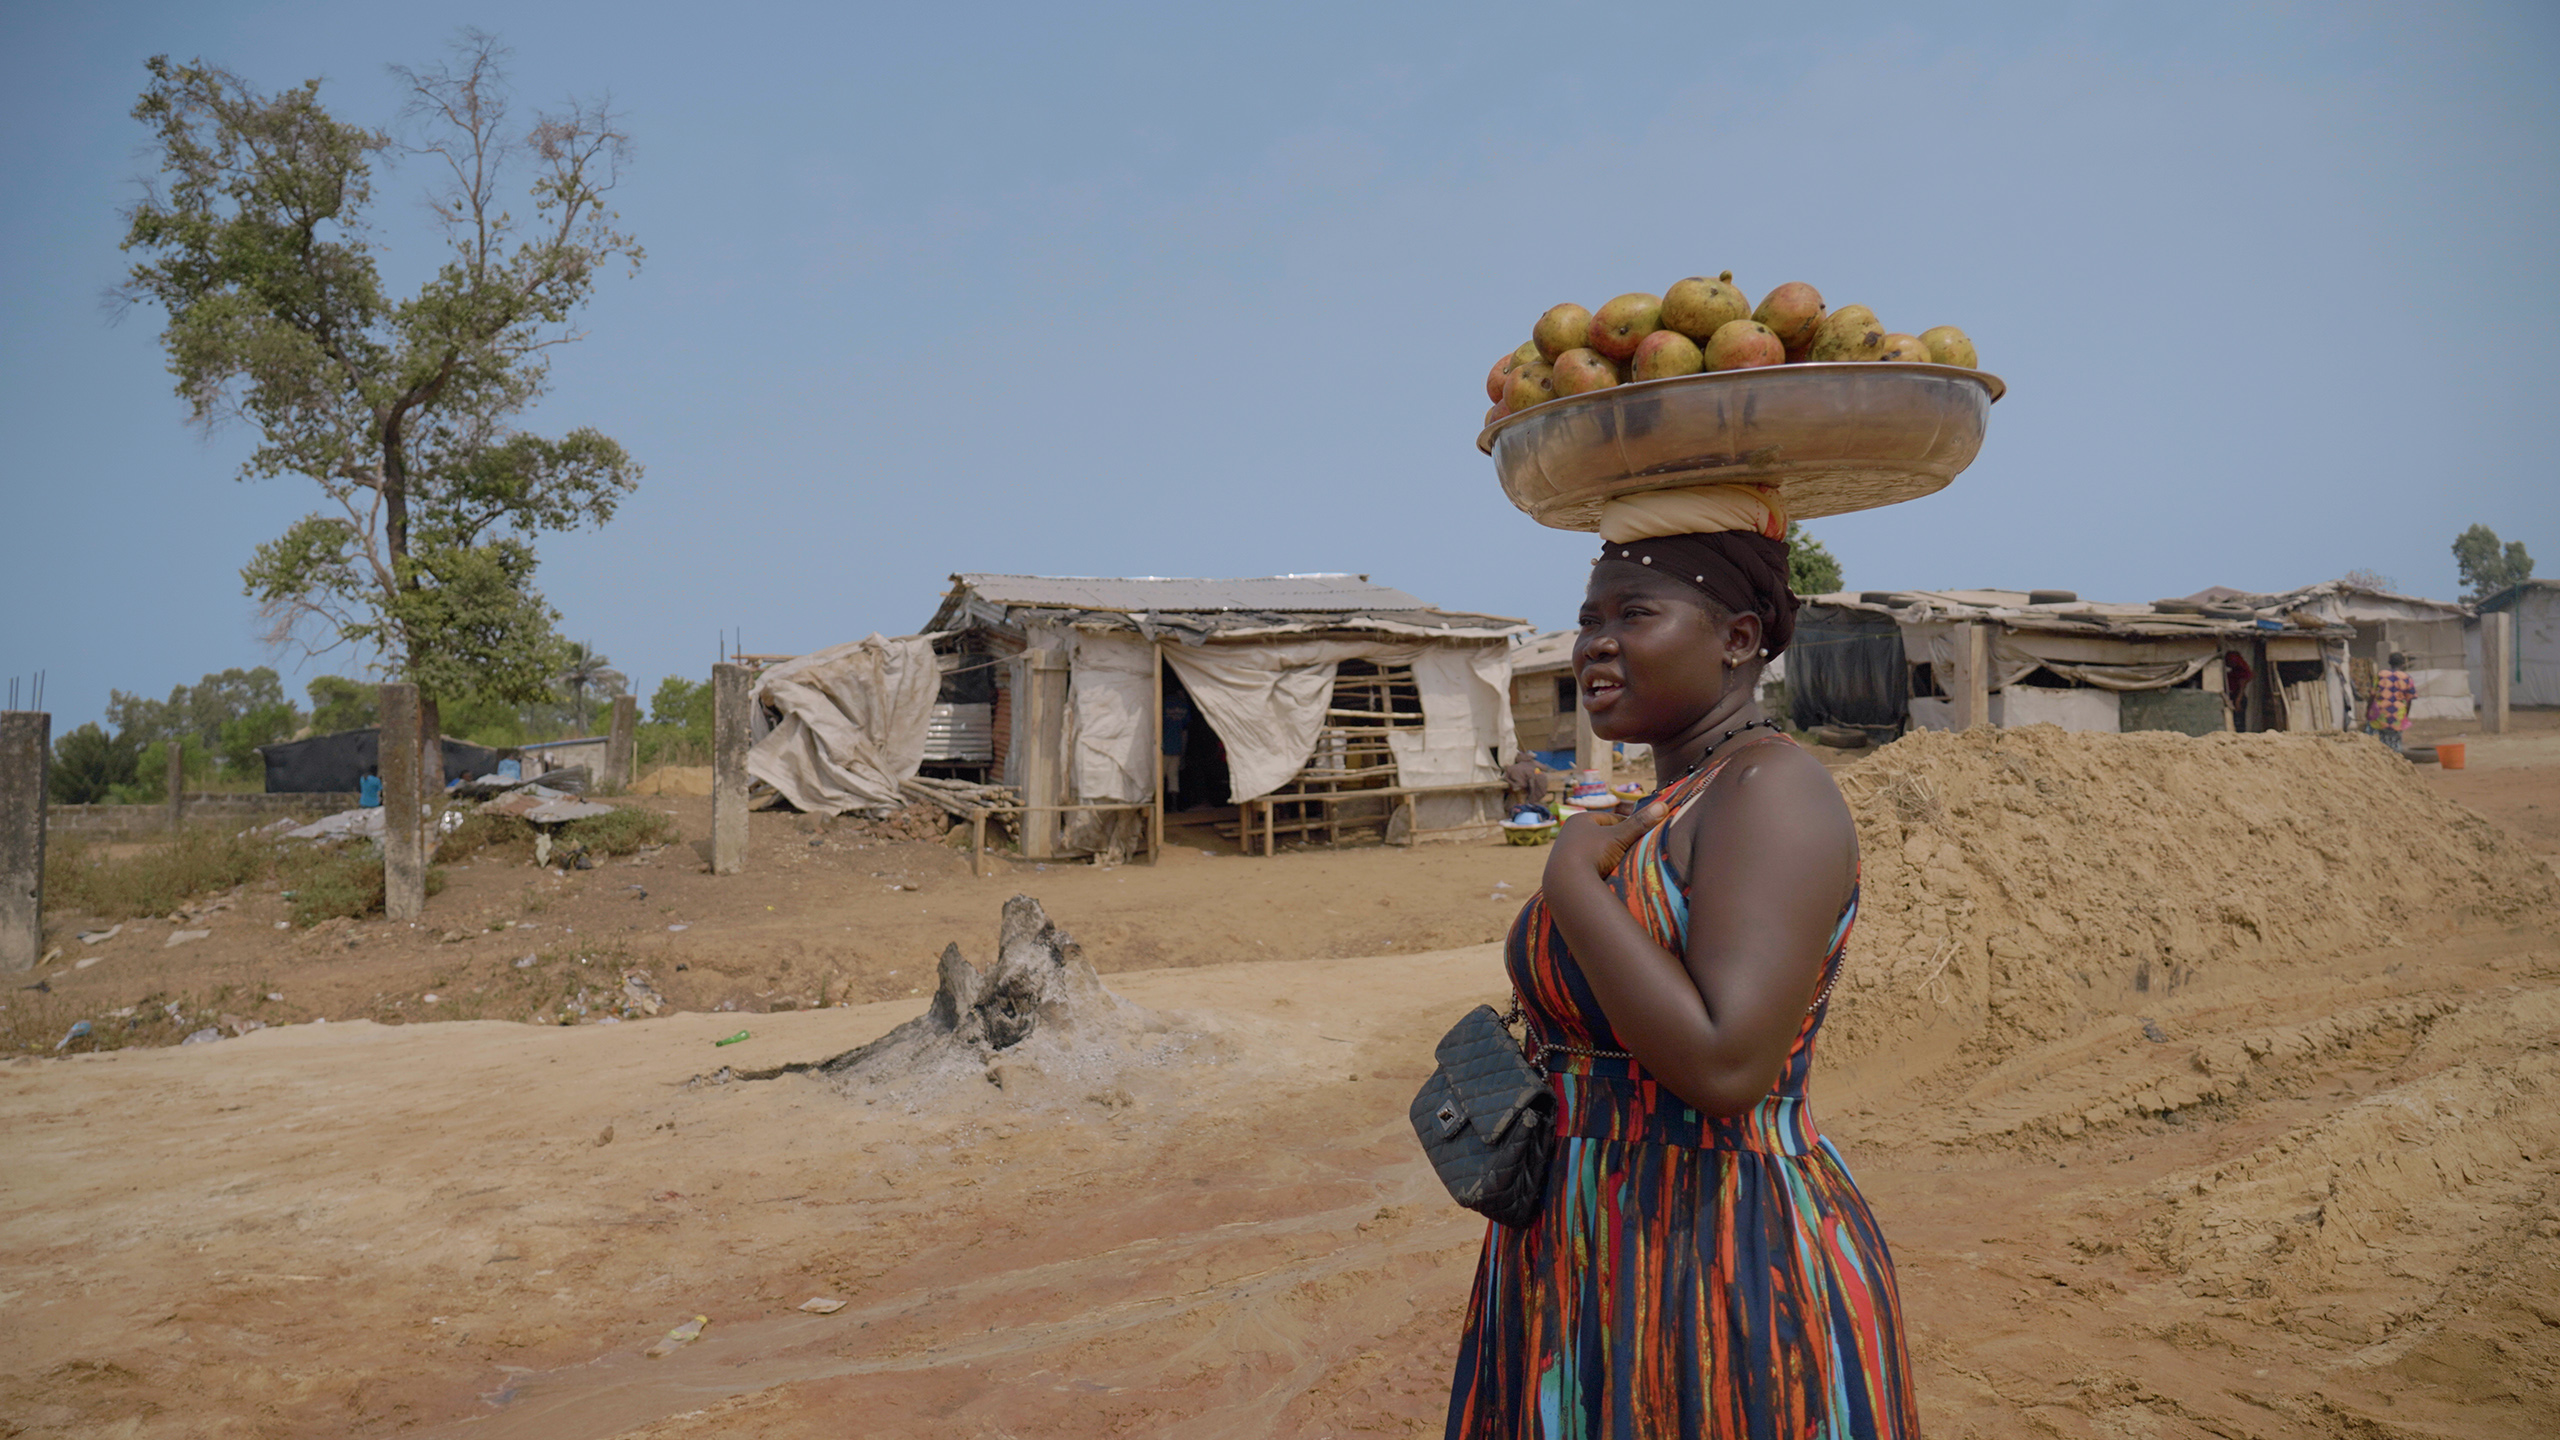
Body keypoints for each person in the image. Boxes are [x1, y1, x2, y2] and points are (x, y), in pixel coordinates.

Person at [1446, 486, 1918, 1438]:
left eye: (1634, 614)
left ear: (1739, 640)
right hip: (1578, 1249)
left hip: (1719, 1257)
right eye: (1587, 619)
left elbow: (1725, 1065)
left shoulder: (1772, 791)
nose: (1594, 645)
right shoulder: (1671, 803)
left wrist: (1573, 884)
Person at [2367, 651, 2416, 753]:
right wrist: (2405, 715)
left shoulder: (2381, 674)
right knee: (2395, 743)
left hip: (2381, 713)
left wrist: (2368, 711)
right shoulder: (2407, 678)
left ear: (2389, 662)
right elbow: (2409, 699)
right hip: (2397, 714)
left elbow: (2372, 695)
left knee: (2375, 741)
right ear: (2403, 663)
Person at [1501, 751, 1547, 815]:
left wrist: (1513, 783)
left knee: (1520, 800)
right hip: (1528, 787)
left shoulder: (1511, 768)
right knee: (1524, 800)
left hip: (1520, 786)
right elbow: (1545, 768)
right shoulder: (1532, 765)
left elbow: (1505, 778)